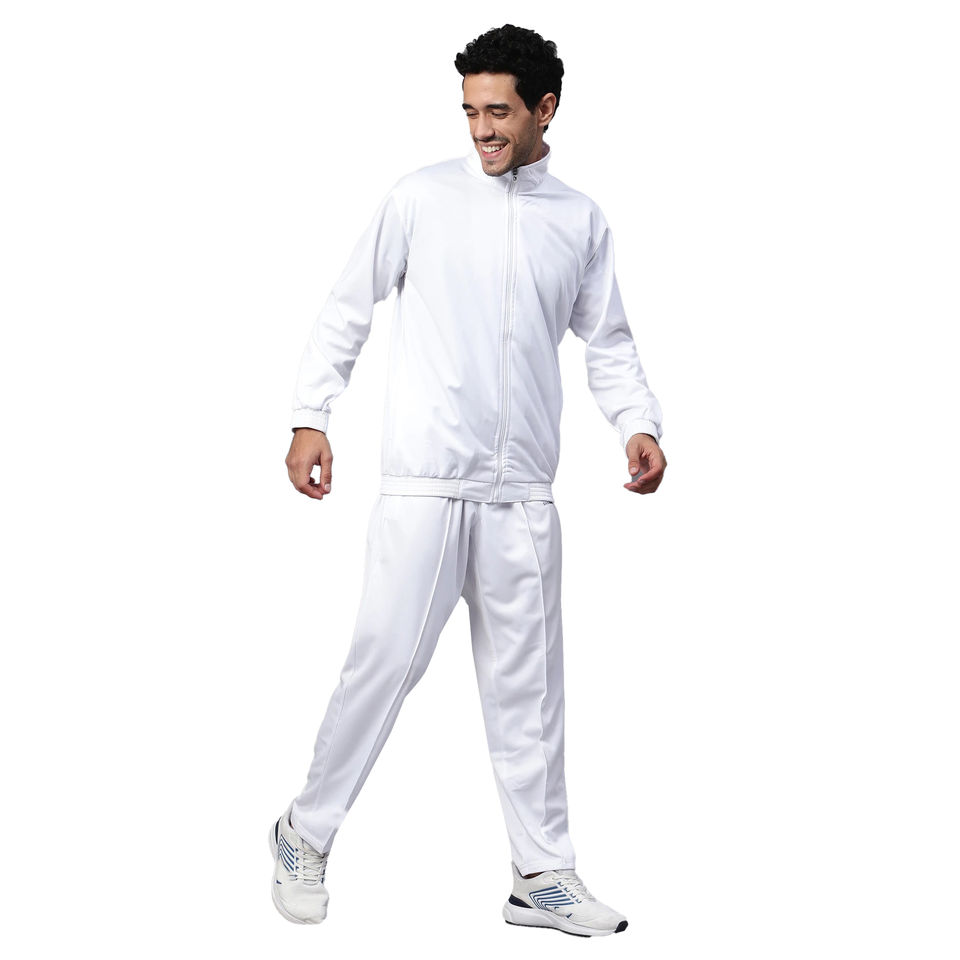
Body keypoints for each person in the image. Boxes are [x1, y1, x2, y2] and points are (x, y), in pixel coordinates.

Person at [269, 23, 667, 937]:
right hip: (425, 481)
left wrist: (637, 424)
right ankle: (303, 831)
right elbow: (347, 306)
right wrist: (310, 414)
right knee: (384, 664)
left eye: (499, 113)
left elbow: (607, 340)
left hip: (523, 493)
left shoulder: (580, 220)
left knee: (531, 692)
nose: (482, 130)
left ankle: (541, 873)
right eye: (470, 112)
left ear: (544, 110)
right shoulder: (420, 197)